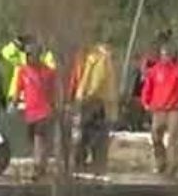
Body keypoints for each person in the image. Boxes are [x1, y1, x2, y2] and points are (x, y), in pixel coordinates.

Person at [141, 41, 178, 177]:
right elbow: (148, 87)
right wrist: (145, 101)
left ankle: (173, 167)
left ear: (172, 56)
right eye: (163, 55)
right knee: (155, 136)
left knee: (173, 138)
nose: (165, 57)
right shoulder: (154, 70)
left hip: (173, 109)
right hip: (158, 109)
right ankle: (161, 163)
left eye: (167, 55)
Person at [69, 40, 119, 175]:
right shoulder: (90, 59)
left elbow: (97, 81)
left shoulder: (98, 59)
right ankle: (89, 164)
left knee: (89, 134)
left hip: (92, 101)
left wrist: (85, 95)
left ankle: (89, 164)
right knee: (88, 134)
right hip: (92, 100)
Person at [16, 43, 58, 178]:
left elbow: (54, 91)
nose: (29, 58)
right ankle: (40, 165)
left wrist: (54, 106)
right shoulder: (23, 71)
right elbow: (18, 88)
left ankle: (38, 167)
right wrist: (15, 101)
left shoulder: (48, 72)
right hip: (30, 113)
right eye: (27, 55)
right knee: (33, 141)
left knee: (39, 139)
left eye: (31, 55)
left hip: (44, 111)